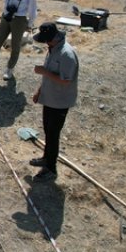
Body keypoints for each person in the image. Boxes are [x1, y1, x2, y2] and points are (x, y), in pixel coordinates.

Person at [30, 22, 79, 180]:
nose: (44, 43)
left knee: (53, 134)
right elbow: (49, 76)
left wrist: (44, 72)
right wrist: (39, 91)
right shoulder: (52, 49)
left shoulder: (67, 55)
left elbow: (66, 80)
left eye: (46, 40)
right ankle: (46, 159)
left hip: (60, 101)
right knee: (47, 131)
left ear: (52, 38)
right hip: (49, 98)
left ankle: (51, 169)